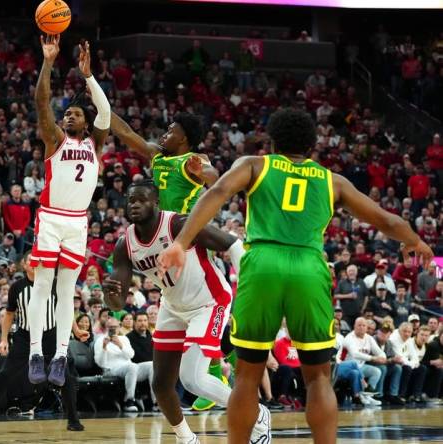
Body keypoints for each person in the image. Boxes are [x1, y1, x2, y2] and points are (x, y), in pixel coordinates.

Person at [158, 108, 434, 443]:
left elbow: (216, 193)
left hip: (262, 263)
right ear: (312, 145)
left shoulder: (254, 164)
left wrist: (181, 242)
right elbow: (386, 220)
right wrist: (415, 241)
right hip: (309, 266)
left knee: (247, 375)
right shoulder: (333, 180)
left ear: (272, 140)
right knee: (318, 377)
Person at [102, 182, 263, 443]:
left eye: (141, 200)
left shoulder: (178, 224)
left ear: (156, 203)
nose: (134, 204)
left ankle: (255, 413)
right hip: (173, 306)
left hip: (209, 301)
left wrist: (247, 289)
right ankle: (186, 438)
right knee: (161, 384)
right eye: (130, 200)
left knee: (192, 379)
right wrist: (111, 297)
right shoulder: (125, 244)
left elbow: (232, 243)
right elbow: (118, 304)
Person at [27, 36, 111, 388]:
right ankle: (36, 352)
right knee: (42, 287)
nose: (67, 115)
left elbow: (105, 112)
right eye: (67, 113)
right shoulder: (55, 140)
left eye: (74, 114)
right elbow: (41, 102)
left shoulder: (95, 143)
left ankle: (60, 355)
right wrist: (48, 62)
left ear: (85, 123)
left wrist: (88, 77)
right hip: (50, 216)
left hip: (77, 223)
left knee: (67, 291)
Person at [0, 254, 85, 430]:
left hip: (50, 335)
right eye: (31, 260)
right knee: (4, 375)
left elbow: (64, 308)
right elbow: (9, 314)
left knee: (66, 378)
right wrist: (4, 339)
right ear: (24, 266)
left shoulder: (52, 283)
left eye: (39, 260)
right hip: (25, 337)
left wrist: (76, 330)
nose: (36, 263)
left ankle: (73, 420)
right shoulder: (17, 287)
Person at [339, 317, 386, 403]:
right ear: (354, 326)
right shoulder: (349, 337)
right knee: (354, 368)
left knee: (376, 371)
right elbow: (355, 354)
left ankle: (367, 395)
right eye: (359, 325)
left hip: (361, 366)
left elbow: (379, 352)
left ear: (367, 328)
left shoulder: (369, 338)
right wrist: (372, 358)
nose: (361, 327)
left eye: (364, 325)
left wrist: (382, 357)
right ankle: (364, 391)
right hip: (347, 367)